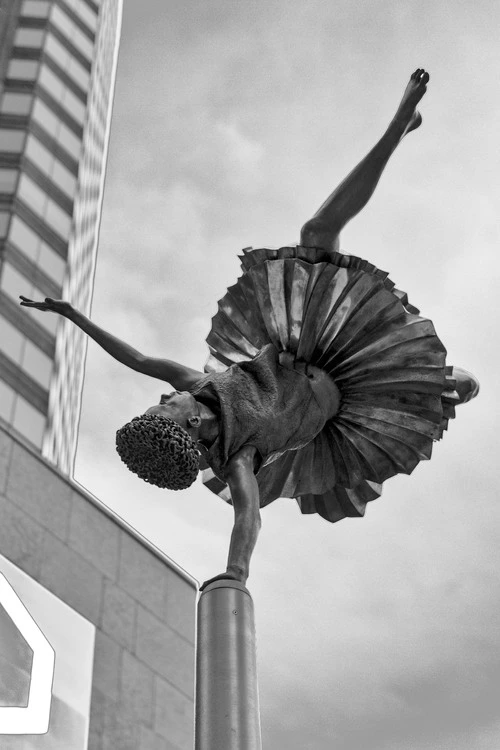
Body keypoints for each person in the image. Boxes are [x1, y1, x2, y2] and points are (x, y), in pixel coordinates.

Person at [20, 70, 479, 592]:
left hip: (308, 345)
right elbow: (247, 518)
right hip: (344, 398)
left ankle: (398, 125)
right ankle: (434, 386)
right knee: (457, 383)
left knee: (314, 234)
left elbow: (138, 359)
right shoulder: (240, 459)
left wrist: (73, 316)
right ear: (189, 425)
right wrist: (235, 574)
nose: (164, 393)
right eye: (164, 406)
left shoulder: (197, 386)